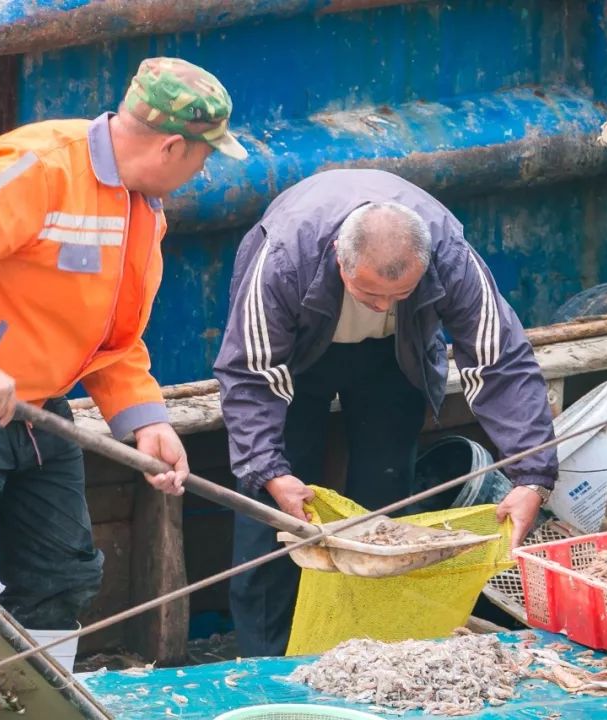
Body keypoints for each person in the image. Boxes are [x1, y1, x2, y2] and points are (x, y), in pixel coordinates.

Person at [0, 57, 247, 637]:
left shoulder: (142, 207)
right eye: (204, 156)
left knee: (62, 574)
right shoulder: (42, 162)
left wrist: (144, 420)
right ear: (173, 146)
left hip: (37, 408)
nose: (202, 172)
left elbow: (112, 335)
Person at [214, 168, 558, 657]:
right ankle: (262, 659)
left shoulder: (449, 253)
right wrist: (268, 470)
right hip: (294, 361)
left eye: (398, 295)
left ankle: (369, 651)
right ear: (339, 257)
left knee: (386, 504)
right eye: (369, 294)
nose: (382, 305)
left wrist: (532, 476)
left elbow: (498, 359)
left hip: (397, 355)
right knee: (277, 517)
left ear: (425, 265)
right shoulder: (285, 257)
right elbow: (251, 371)